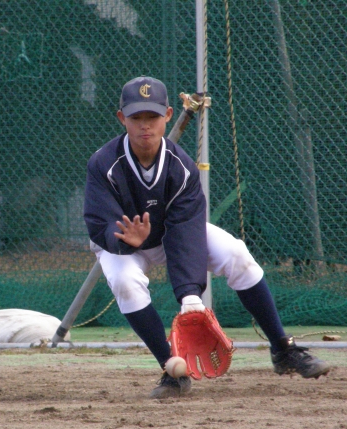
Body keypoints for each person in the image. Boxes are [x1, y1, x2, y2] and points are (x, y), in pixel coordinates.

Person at [83, 76, 330, 398]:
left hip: (171, 234)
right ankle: (172, 370)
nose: (145, 125)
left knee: (238, 255)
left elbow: (185, 230)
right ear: (121, 118)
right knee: (125, 282)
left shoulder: (182, 167)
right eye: (136, 117)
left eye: (153, 116)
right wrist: (121, 239)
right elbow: (98, 220)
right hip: (122, 244)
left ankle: (283, 349)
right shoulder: (103, 163)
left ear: (168, 115)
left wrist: (190, 297)